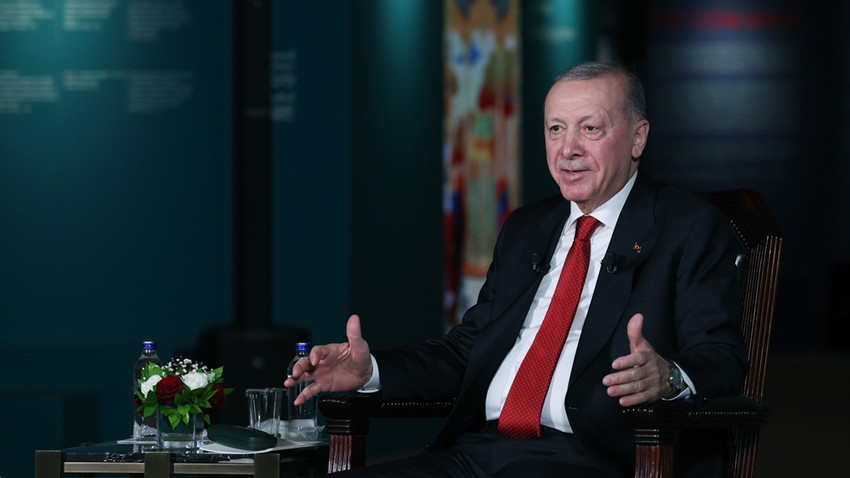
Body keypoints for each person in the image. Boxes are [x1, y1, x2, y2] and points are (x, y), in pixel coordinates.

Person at [284, 61, 748, 477]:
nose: (568, 149)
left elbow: (721, 357)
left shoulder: (687, 227)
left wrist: (668, 377)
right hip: (479, 453)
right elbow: (467, 351)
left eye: (590, 129)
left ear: (638, 137)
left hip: (594, 458)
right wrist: (370, 371)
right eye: (555, 129)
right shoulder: (527, 227)